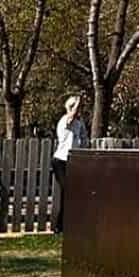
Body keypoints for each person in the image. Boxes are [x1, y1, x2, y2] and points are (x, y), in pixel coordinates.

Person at [52, 95, 89, 234]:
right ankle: (60, 225)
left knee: (70, 193)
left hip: (73, 160)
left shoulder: (79, 123)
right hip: (60, 161)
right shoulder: (65, 120)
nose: (78, 110)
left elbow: (83, 140)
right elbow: (71, 116)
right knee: (67, 190)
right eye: (76, 107)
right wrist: (78, 101)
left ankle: (63, 225)